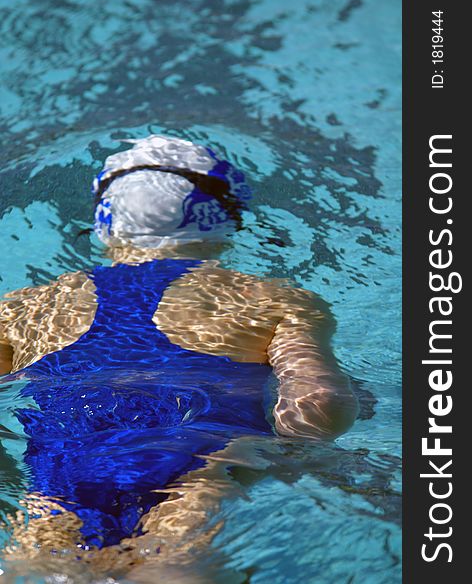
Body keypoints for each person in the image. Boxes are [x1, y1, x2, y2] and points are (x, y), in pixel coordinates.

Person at [0, 135, 358, 572]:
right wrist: (282, 457)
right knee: (173, 567)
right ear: (222, 221)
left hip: (60, 475)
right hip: (201, 467)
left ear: (103, 222)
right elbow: (321, 398)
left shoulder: (24, 307)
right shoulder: (270, 298)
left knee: (42, 564)